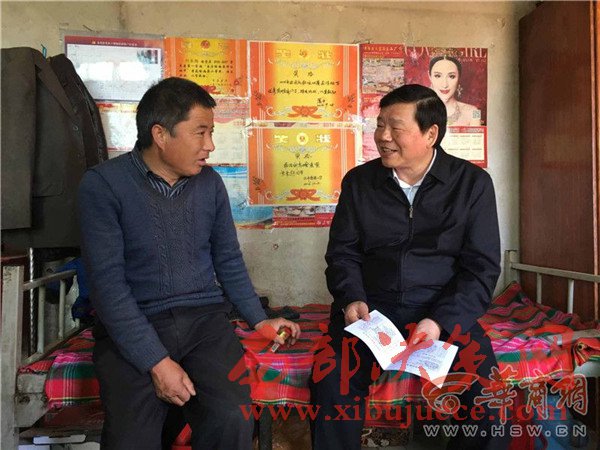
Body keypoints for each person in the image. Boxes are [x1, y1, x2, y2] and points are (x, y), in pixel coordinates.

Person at [78, 77, 300, 450]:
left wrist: (259, 320)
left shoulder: (209, 184)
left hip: (204, 324)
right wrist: (157, 362)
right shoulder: (103, 185)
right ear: (160, 134)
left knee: (232, 418)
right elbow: (108, 288)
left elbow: (227, 260)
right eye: (201, 133)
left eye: (211, 133)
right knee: (132, 439)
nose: (210, 145)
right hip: (136, 323)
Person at [309, 84, 507, 450]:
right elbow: (343, 254)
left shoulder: (471, 184)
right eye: (379, 125)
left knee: (487, 398)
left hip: (442, 312)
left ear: (430, 134)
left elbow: (480, 269)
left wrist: (440, 321)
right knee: (331, 382)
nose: (383, 136)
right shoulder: (360, 183)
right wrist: (351, 298)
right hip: (372, 315)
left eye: (395, 127)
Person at [429, 55, 482, 126]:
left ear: (459, 78)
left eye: (451, 76)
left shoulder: (475, 111)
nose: (445, 85)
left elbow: (479, 133)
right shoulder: (417, 110)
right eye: (438, 76)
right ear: (430, 77)